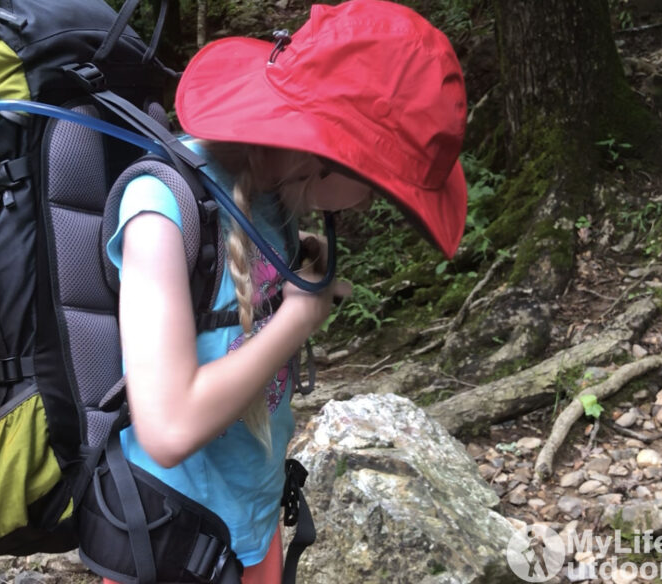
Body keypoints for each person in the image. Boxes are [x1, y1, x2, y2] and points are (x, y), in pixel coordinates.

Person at [102, 0, 468, 582]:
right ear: (328, 156)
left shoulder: (270, 197)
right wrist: (300, 317)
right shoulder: (160, 210)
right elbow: (168, 429)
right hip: (174, 540)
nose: (374, 204)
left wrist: (290, 264)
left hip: (253, 517)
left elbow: (231, 287)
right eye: (380, 187)